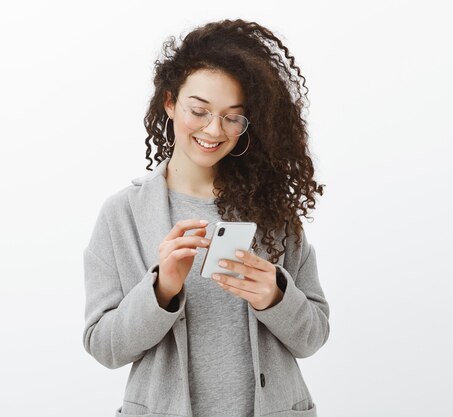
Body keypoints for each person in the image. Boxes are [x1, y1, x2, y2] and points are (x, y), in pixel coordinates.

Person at [82, 19, 330, 417]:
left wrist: (276, 296)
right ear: (169, 103)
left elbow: (313, 336)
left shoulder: (271, 209)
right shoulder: (123, 214)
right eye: (199, 110)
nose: (214, 130)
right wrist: (162, 289)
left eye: (233, 117)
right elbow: (104, 347)